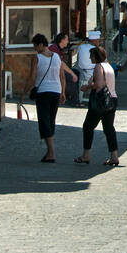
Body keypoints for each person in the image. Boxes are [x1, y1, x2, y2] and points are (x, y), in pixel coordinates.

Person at [32, 34, 78, 162]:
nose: (34, 48)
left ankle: (51, 152)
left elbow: (32, 77)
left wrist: (25, 93)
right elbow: (62, 76)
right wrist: (62, 92)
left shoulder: (38, 58)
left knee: (44, 121)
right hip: (56, 91)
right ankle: (49, 152)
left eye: (35, 45)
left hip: (43, 92)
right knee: (51, 120)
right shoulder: (56, 57)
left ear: (40, 44)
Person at [75, 46, 120, 166]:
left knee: (88, 126)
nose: (90, 58)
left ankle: (86, 155)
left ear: (96, 56)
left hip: (100, 101)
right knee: (109, 128)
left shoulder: (98, 66)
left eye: (91, 56)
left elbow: (99, 84)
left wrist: (87, 87)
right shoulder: (108, 65)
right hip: (112, 99)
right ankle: (114, 156)